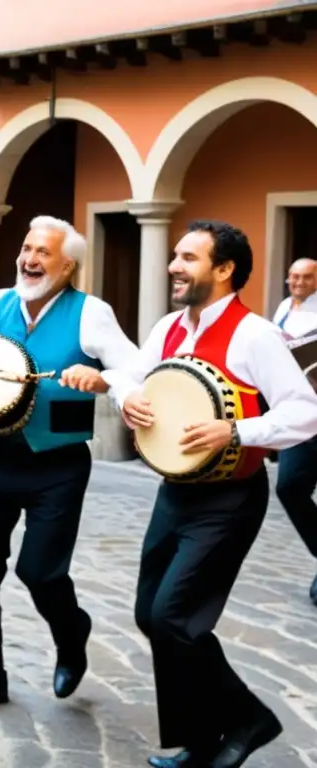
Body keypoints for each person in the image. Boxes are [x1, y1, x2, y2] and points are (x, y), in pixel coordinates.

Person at [108, 220, 317, 768]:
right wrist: (128, 398)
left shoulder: (255, 335)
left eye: (188, 258)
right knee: (149, 617)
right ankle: (199, 739)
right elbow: (129, 375)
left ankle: (249, 719)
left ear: (223, 270)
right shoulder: (170, 327)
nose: (174, 265)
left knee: (175, 618)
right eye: (175, 255)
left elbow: (305, 411)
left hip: (228, 500)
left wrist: (238, 430)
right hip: (174, 493)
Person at [0, 216, 138, 706]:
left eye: (42, 253)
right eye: (27, 249)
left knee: (41, 571)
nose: (29, 259)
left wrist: (103, 380)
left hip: (57, 464)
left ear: (68, 266)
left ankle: (73, 634)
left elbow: (136, 367)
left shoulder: (91, 313)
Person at [270, 257, 317, 605]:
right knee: (289, 487)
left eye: (307, 277)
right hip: (298, 415)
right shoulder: (285, 307)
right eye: (294, 276)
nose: (299, 282)